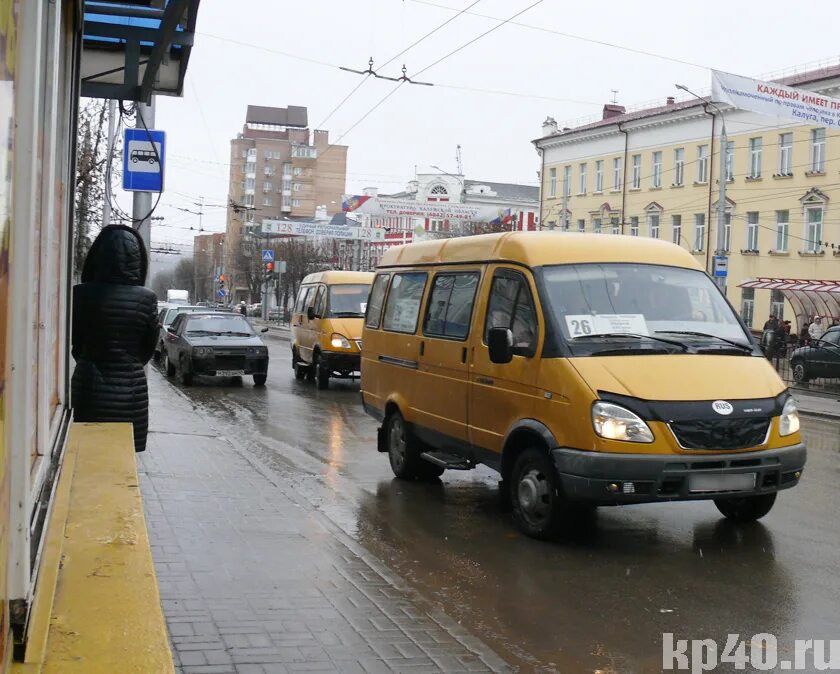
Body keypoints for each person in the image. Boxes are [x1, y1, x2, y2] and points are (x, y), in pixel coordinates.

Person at [71, 226, 158, 452]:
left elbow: (76, 344)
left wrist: (91, 359)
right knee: (122, 460)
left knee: (85, 455)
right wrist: (128, 363)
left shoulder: (80, 294)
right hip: (131, 393)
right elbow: (147, 350)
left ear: (98, 256)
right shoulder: (147, 298)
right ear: (136, 259)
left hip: (88, 388)